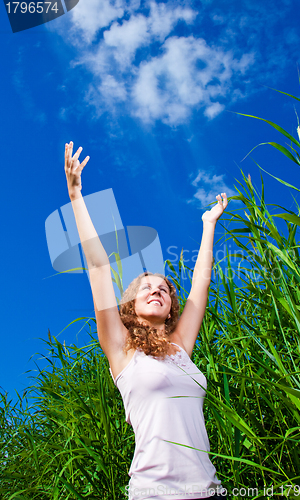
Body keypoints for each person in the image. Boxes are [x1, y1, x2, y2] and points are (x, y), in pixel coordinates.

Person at [64, 141, 228, 500]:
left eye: (165, 290)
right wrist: (76, 194)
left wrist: (208, 224)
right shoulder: (120, 349)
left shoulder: (180, 345)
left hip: (210, 490)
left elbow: (202, 281)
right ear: (131, 305)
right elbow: (98, 265)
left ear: (171, 307)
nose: (156, 291)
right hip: (154, 493)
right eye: (146, 288)